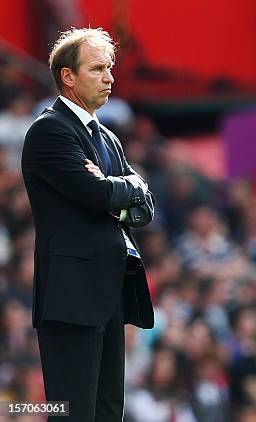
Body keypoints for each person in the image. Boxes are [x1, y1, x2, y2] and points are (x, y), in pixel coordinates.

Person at [21, 28, 155, 421]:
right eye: (98, 68)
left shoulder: (108, 138)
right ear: (68, 76)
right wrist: (125, 189)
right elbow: (94, 195)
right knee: (72, 412)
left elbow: (145, 208)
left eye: (109, 68)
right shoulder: (50, 130)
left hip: (109, 289)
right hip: (71, 295)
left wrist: (121, 188)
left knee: (108, 410)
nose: (110, 77)